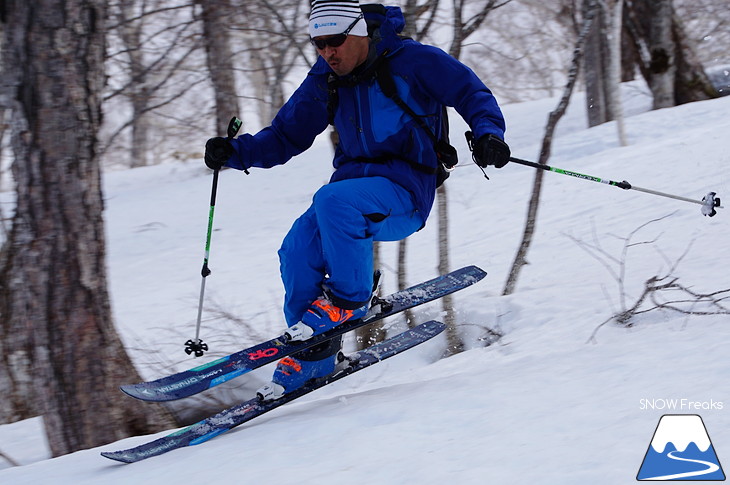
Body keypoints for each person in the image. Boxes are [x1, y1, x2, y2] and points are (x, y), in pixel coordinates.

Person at [203, 0, 509, 400]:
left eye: (335, 41)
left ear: (360, 33)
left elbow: (471, 92)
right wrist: (236, 152)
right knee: (296, 251)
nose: (328, 52)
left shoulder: (414, 61)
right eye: (319, 44)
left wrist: (489, 133)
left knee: (333, 200)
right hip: (350, 191)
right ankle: (314, 357)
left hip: (405, 190)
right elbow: (285, 136)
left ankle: (350, 299)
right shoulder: (326, 78)